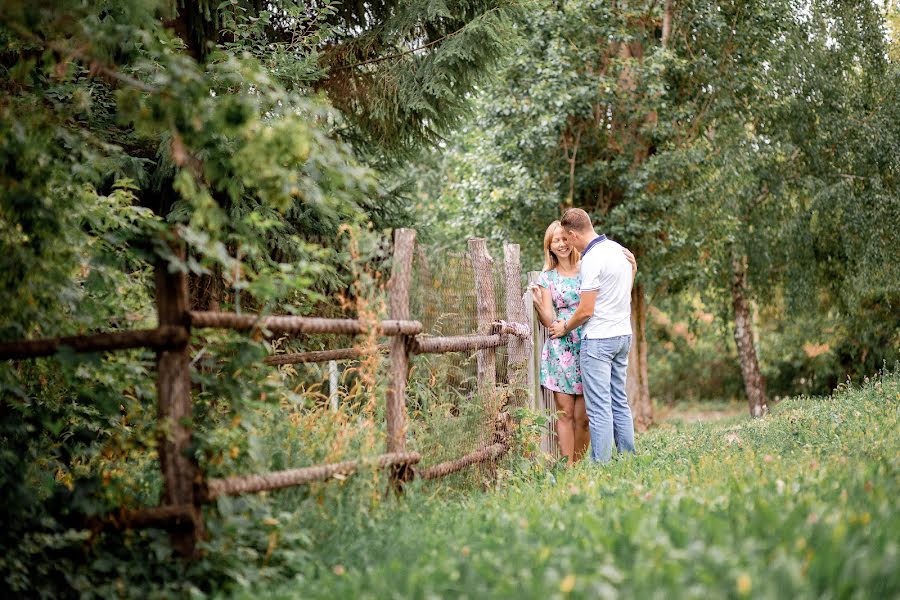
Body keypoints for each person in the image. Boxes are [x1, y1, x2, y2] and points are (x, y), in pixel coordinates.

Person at [532, 220, 637, 464]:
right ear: (549, 246)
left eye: (564, 239)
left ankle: (582, 464)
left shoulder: (588, 265)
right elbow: (550, 320)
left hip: (590, 340)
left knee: (587, 416)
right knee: (565, 413)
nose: (561, 244)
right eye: (555, 240)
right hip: (562, 348)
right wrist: (539, 306)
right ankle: (569, 466)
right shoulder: (547, 278)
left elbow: (612, 295)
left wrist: (631, 271)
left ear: (572, 238)